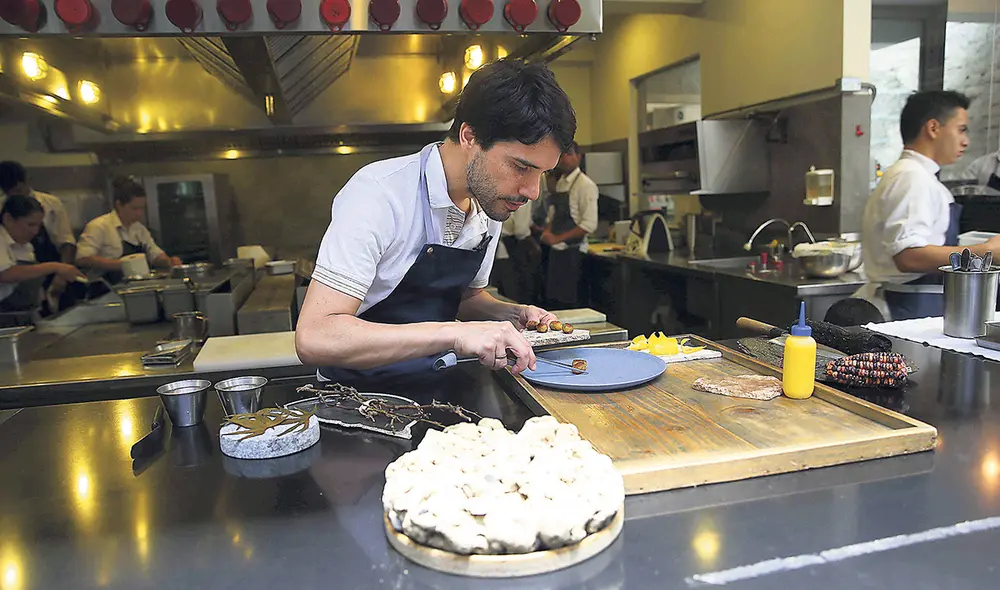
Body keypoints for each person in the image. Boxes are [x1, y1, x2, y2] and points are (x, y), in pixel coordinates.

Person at [295, 58, 576, 381]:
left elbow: (465, 299)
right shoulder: (379, 194)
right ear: (469, 136)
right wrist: (454, 335)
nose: (532, 192)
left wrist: (510, 316)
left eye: (543, 173)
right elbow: (314, 336)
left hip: (437, 385)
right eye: (521, 167)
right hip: (356, 397)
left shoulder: (489, 201)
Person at [859, 90, 1000, 320]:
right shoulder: (912, 178)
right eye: (961, 129)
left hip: (916, 306)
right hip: (903, 310)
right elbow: (908, 256)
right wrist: (984, 253)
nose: (966, 141)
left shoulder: (915, 176)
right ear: (933, 128)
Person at [0, 161, 78, 309]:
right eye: (30, 225)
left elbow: (67, 242)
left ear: (27, 181)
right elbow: (5, 274)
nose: (35, 232)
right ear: (8, 219)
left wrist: (57, 279)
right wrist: (54, 267)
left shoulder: (51, 204)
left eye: (37, 225)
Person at [76, 176, 182, 285]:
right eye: (134, 208)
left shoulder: (139, 229)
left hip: (137, 288)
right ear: (119, 205)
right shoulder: (98, 226)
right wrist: (124, 265)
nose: (139, 213)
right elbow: (83, 259)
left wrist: (169, 261)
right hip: (106, 290)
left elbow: (155, 254)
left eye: (142, 208)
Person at [540, 142, 599, 307]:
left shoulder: (586, 186)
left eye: (569, 154)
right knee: (554, 303)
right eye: (562, 155)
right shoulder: (561, 183)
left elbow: (589, 224)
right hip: (556, 254)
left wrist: (558, 238)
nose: (564, 159)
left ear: (578, 157)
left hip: (574, 254)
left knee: (572, 304)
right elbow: (554, 213)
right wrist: (548, 231)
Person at [491, 197, 537, 303]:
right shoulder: (524, 195)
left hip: (495, 247)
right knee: (514, 294)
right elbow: (521, 230)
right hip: (510, 249)